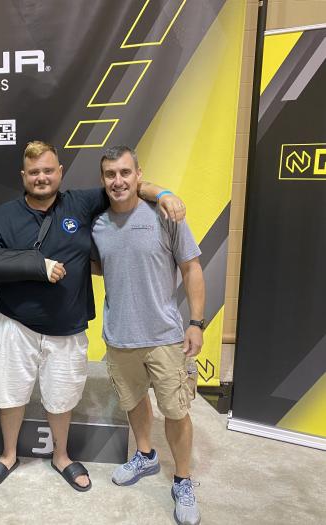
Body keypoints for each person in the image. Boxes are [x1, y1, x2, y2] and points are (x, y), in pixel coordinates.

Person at [0, 141, 187, 492]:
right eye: (34, 172)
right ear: (23, 176)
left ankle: (61, 456)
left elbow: (127, 186)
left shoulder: (80, 203)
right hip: (16, 324)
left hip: (67, 325)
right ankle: (9, 454)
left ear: (60, 172)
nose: (41, 177)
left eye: (48, 170)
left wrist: (163, 193)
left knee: (61, 397)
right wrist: (36, 265)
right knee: (9, 394)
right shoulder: (6, 215)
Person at [90, 145, 205, 525]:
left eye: (125, 172)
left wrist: (196, 322)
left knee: (176, 411)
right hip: (119, 337)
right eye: (110, 174)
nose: (118, 181)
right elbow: (98, 265)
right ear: (103, 179)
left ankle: (183, 480)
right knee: (134, 401)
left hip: (164, 336)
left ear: (139, 175)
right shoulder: (98, 225)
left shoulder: (165, 215)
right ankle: (145, 455)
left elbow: (191, 268)